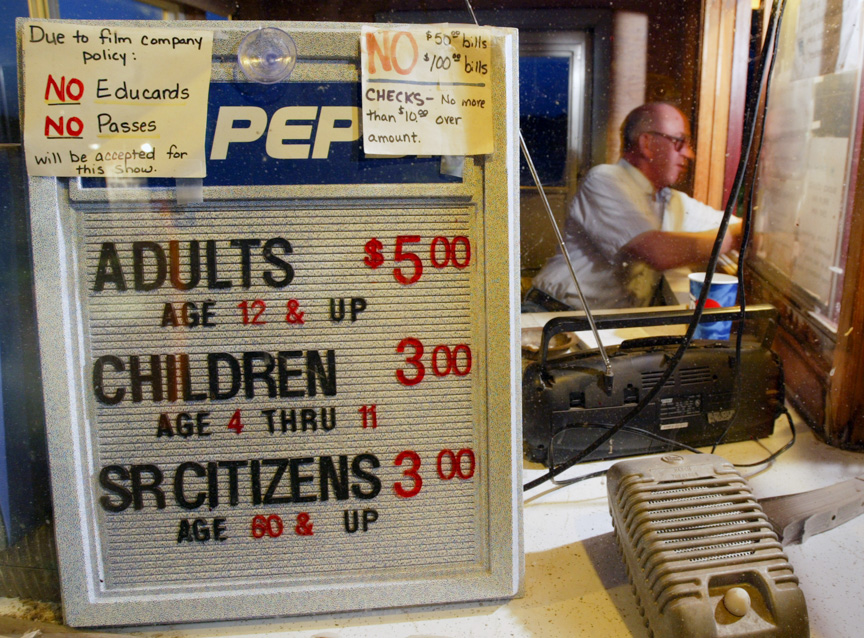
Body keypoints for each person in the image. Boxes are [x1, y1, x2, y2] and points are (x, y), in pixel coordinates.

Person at [525, 102, 741, 311]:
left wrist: (757, 230)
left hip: (594, 325)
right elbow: (656, 251)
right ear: (646, 143)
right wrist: (738, 236)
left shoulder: (672, 201)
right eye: (679, 142)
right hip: (553, 314)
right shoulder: (605, 179)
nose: (688, 154)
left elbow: (731, 225)